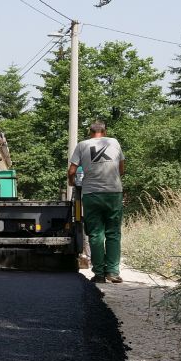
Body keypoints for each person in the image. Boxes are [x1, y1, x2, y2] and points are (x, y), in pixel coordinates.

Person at [68, 120, 125, 283]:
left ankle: (99, 274)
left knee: (95, 234)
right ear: (104, 131)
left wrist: (72, 182)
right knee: (113, 233)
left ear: (90, 132)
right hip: (113, 193)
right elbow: (122, 169)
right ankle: (112, 272)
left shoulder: (82, 145)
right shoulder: (114, 142)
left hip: (91, 194)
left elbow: (72, 171)